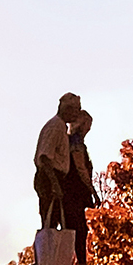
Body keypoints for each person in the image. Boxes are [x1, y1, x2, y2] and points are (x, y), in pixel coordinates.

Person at [34, 92, 81, 228]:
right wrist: (54, 183)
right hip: (50, 176)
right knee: (51, 223)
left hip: (55, 177)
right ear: (67, 109)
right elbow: (44, 157)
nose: (77, 114)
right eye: (76, 110)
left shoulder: (60, 126)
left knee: (57, 220)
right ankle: (48, 248)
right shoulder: (56, 126)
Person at [62, 109, 100, 265]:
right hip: (74, 191)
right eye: (87, 125)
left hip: (72, 191)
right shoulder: (76, 143)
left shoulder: (70, 142)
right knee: (78, 229)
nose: (89, 129)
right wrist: (92, 190)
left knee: (74, 228)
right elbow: (80, 167)